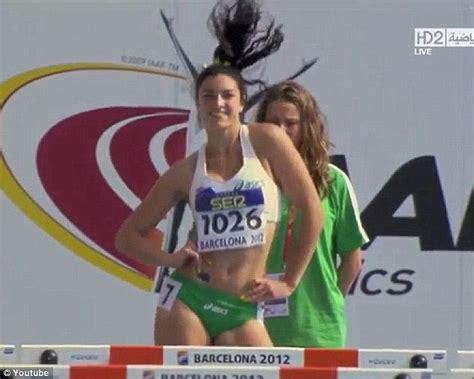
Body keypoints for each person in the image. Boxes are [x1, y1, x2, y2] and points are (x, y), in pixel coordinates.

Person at [115, 65, 323, 346]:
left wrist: (289, 282)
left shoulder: (267, 141)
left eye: (227, 95)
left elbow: (312, 210)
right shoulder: (186, 171)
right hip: (188, 298)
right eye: (208, 96)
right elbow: (127, 237)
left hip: (242, 306)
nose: (218, 104)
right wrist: (170, 260)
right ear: (198, 103)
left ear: (242, 101)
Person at [255, 81, 369, 347]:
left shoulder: (332, 181)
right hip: (255, 327)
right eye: (273, 123)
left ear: (306, 127)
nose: (281, 131)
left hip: (317, 330)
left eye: (290, 123)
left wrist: (329, 302)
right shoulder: (250, 179)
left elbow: (353, 257)